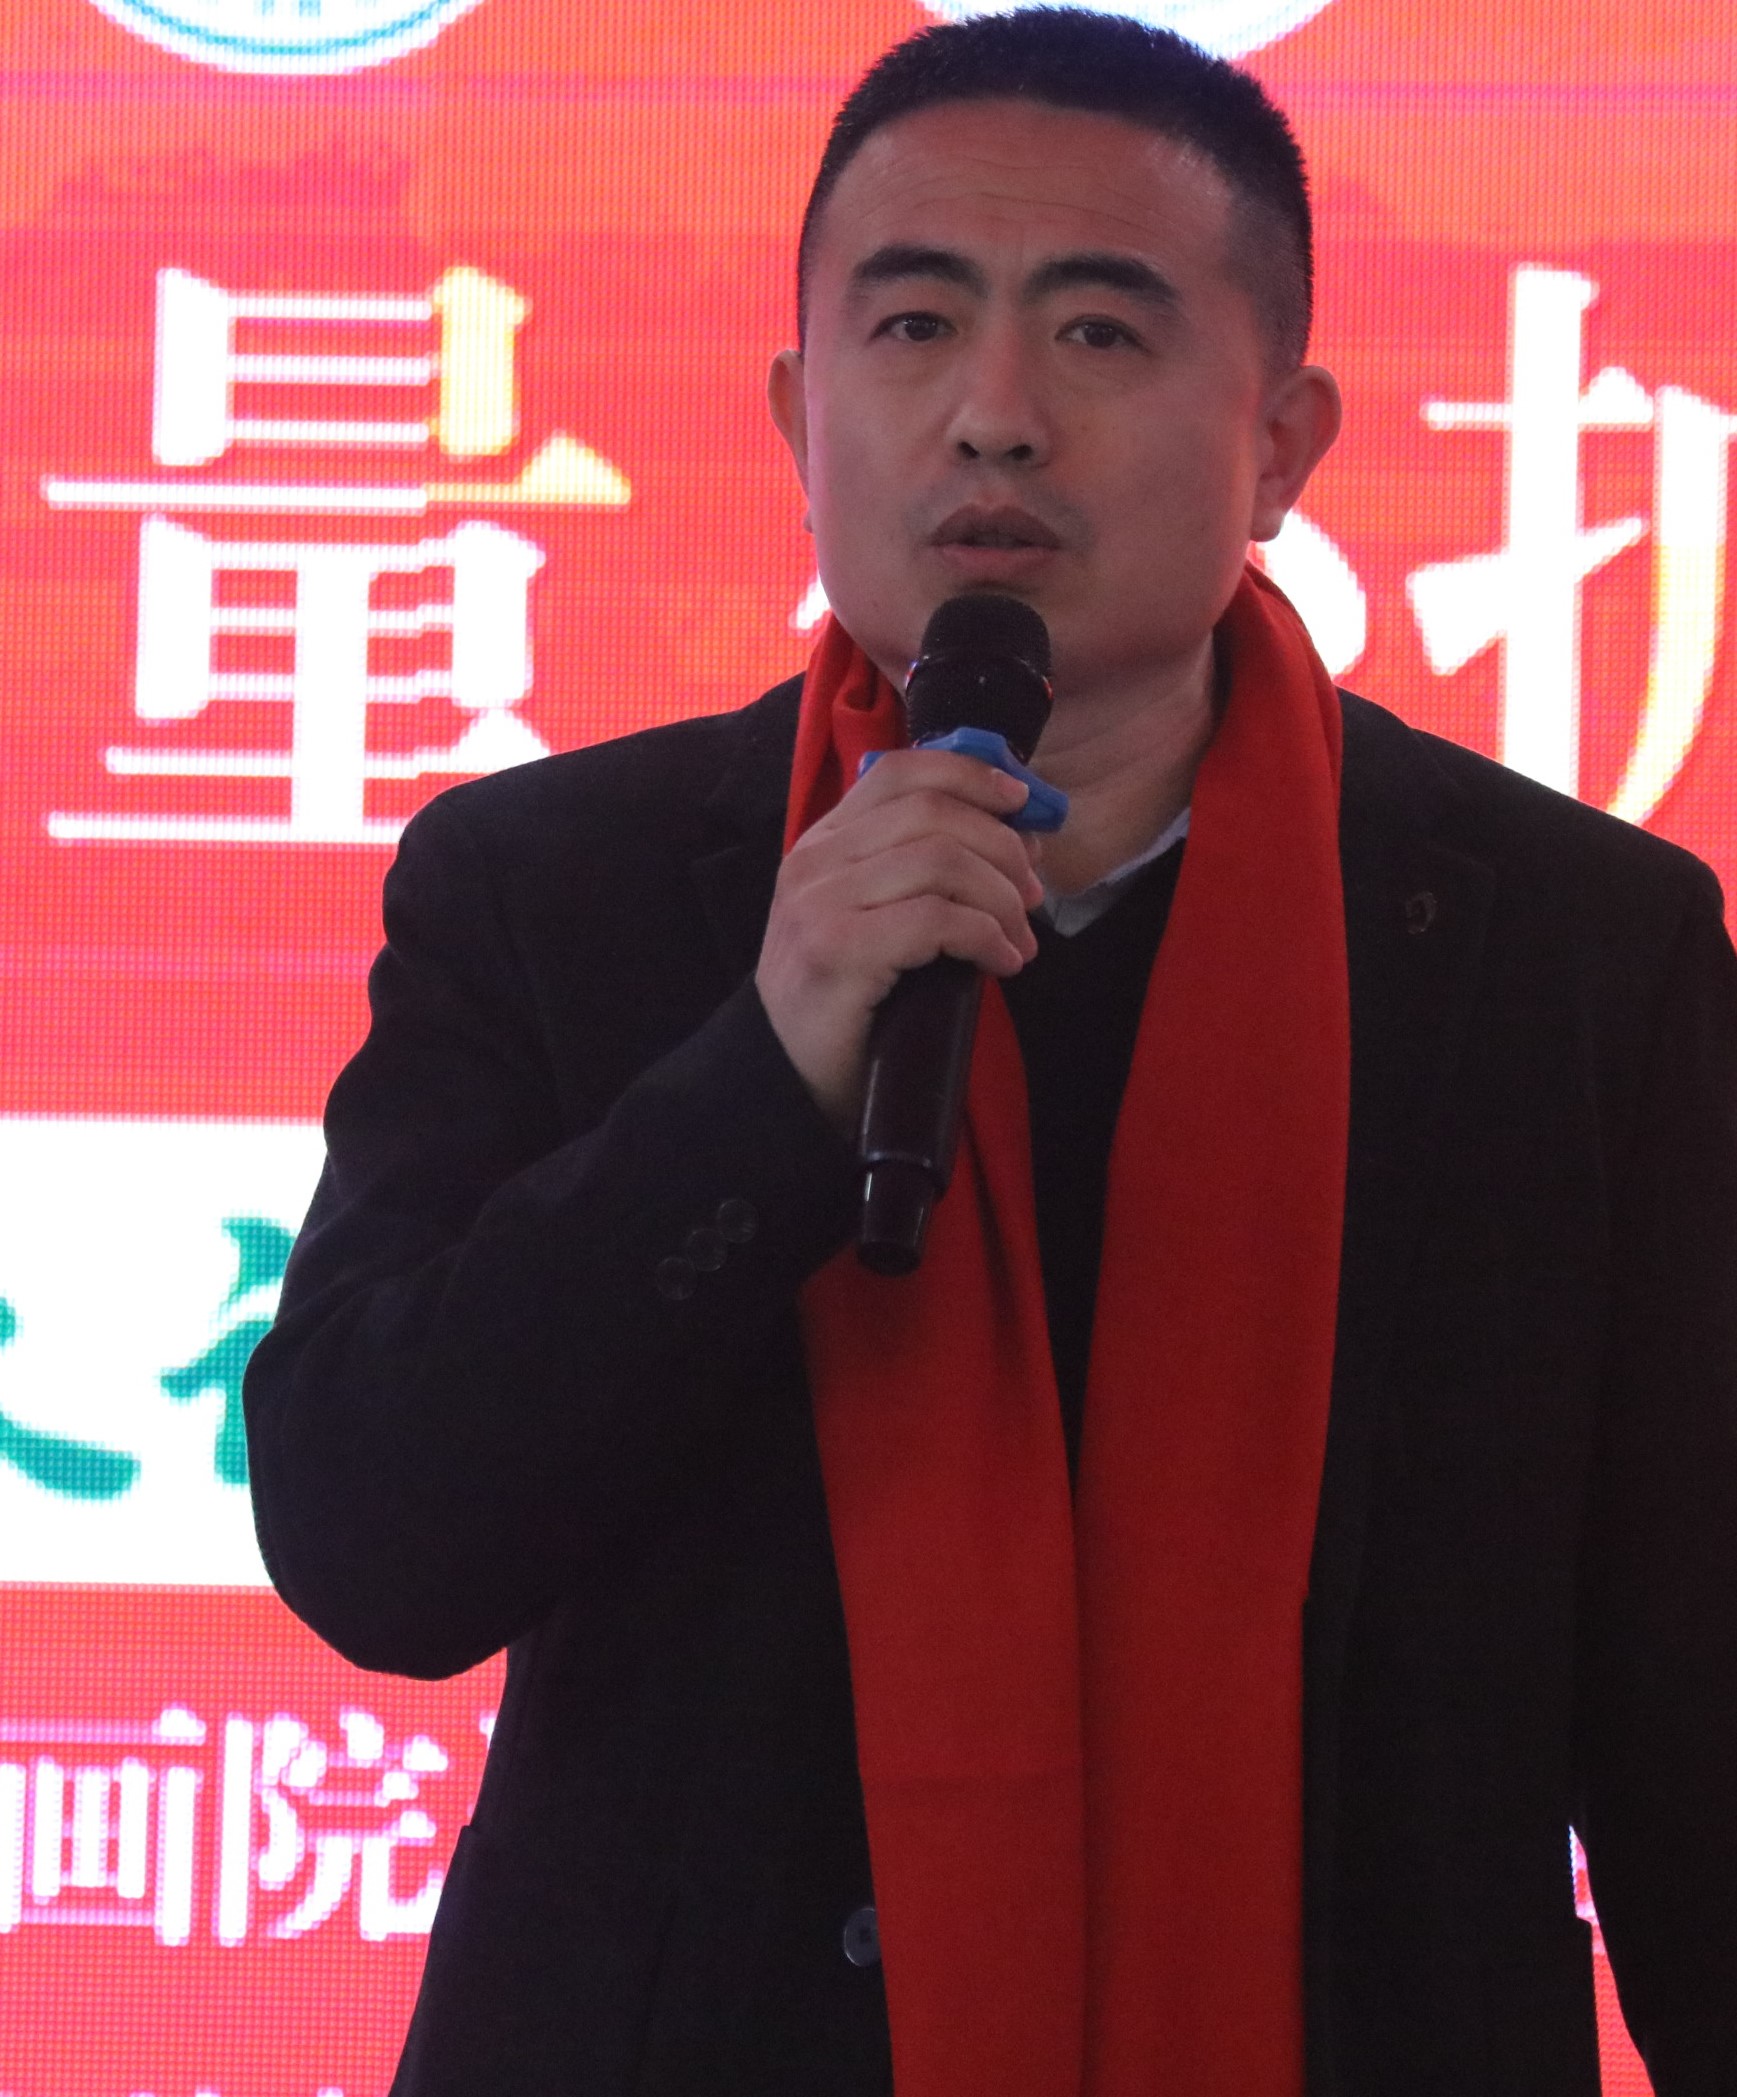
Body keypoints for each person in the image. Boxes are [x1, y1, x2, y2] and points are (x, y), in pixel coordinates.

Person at [243, 11, 1737, 2094]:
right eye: (914, 324)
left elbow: (1686, 1692)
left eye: (1099, 333)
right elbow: (379, 1542)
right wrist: (765, 1069)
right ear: (799, 408)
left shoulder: (1572, 950)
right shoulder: (552, 885)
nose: (994, 416)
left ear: (1282, 439)